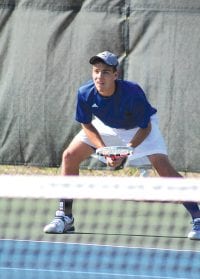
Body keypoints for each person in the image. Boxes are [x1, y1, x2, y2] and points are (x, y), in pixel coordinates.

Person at [44, 51, 200, 240]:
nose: (99, 76)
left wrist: (127, 150)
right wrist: (103, 149)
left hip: (139, 128)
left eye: (105, 72)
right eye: (96, 71)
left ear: (115, 75)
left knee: (163, 167)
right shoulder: (85, 93)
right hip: (106, 126)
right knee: (69, 156)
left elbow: (146, 127)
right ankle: (65, 216)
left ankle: (197, 217)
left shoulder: (132, 92)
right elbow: (86, 124)